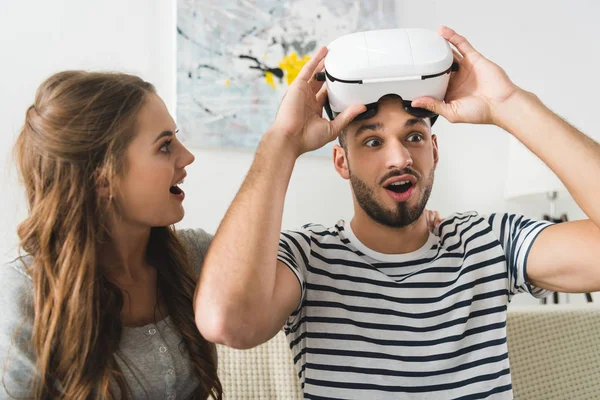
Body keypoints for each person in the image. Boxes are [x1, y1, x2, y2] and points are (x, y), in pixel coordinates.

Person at [194, 26, 600, 399]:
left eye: (415, 136)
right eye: (372, 142)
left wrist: (509, 104)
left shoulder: (489, 242)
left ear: (435, 152)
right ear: (341, 162)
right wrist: (281, 141)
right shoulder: (308, 256)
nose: (400, 157)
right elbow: (225, 322)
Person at [0, 71, 222, 399]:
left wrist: (284, 143)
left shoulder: (197, 256)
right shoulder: (23, 293)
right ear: (101, 178)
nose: (187, 156)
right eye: (165, 146)